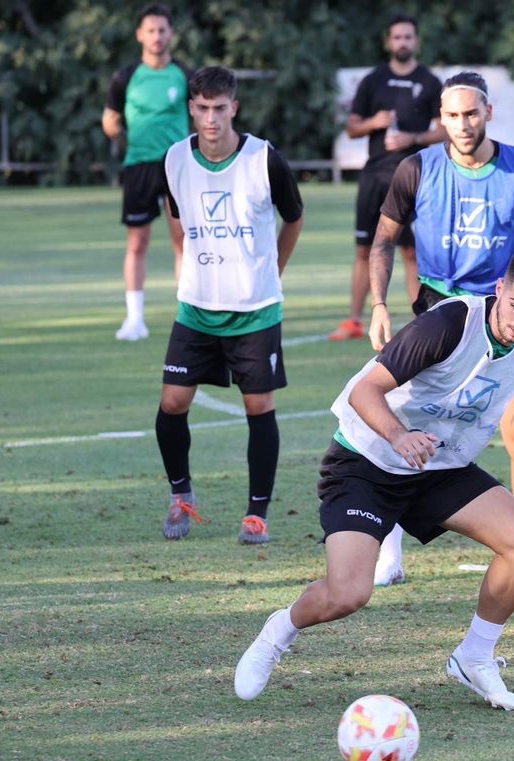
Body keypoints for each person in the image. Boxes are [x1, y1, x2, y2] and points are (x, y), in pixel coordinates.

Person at [234, 250, 514, 710]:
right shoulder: (448, 325)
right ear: (500, 289)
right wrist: (399, 436)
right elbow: (365, 390)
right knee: (348, 594)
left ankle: (474, 658)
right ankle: (278, 632)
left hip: (439, 468)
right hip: (367, 461)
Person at [366, 70, 514, 584]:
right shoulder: (416, 168)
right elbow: (383, 240)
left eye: (472, 113)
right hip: (438, 315)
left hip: (506, 314)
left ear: (489, 113)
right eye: (453, 115)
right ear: (441, 118)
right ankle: (389, 555)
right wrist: (378, 305)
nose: (463, 124)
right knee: (407, 428)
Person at [154, 66, 303, 545]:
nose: (211, 118)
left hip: (255, 309)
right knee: (172, 404)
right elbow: (176, 217)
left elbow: (294, 217)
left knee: (258, 405)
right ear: (191, 109)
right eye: (201, 108)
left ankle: (256, 513)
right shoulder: (176, 159)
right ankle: (181, 495)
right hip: (195, 307)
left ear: (234, 107)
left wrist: (272, 268)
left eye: (220, 108)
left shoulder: (264, 159)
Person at [328, 12, 444, 341]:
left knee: (411, 252)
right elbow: (352, 128)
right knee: (365, 248)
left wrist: (414, 139)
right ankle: (353, 321)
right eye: (397, 37)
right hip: (375, 177)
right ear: (388, 42)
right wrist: (374, 121)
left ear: (416, 42)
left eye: (408, 37)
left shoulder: (430, 82)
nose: (403, 42)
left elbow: (445, 130)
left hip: (415, 179)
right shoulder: (373, 80)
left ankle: (420, 322)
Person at [103, 3, 190, 342]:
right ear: (140, 34)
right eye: (150, 30)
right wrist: (126, 139)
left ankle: (187, 315)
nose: (156, 36)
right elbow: (109, 121)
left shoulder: (184, 74)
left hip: (177, 167)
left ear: (171, 34)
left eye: (162, 30)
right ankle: (134, 319)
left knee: (183, 240)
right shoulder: (125, 76)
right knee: (137, 241)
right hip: (138, 165)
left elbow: (200, 116)